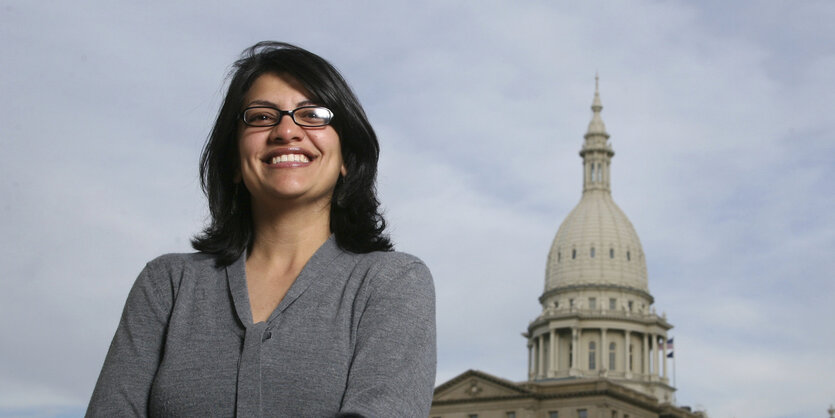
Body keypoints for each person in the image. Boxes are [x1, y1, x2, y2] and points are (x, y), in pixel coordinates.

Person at [86, 41, 436, 417]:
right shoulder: (166, 285)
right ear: (234, 161)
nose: (287, 131)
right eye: (261, 117)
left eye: (313, 114)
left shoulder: (393, 282)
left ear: (346, 159)